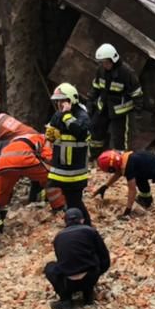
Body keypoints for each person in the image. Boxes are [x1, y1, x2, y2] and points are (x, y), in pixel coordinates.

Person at [46, 207, 111, 309]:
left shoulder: (58, 237)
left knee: (50, 267)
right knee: (94, 258)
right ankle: (88, 293)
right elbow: (105, 257)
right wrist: (97, 274)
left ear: (65, 222)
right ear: (82, 220)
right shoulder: (91, 231)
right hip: (90, 277)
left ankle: (66, 299)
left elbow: (62, 260)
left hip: (68, 283)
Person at [45, 83, 92, 223]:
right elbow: (51, 134)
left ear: (71, 100)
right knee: (71, 202)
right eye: (58, 101)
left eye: (62, 100)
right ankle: (77, 225)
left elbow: (80, 132)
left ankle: (86, 226)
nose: (59, 104)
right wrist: (51, 134)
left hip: (75, 172)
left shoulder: (82, 115)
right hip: (62, 169)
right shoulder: (58, 115)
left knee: (75, 202)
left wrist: (66, 116)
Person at [89, 43, 143, 154]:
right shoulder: (101, 71)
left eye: (106, 62)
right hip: (103, 106)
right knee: (96, 128)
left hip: (120, 110)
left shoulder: (126, 73)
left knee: (119, 136)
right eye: (102, 62)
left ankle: (119, 159)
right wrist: (90, 102)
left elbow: (136, 92)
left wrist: (137, 111)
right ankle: (95, 154)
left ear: (113, 59)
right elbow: (96, 87)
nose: (104, 65)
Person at [0, 131, 65, 213]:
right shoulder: (45, 139)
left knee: (2, 191)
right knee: (51, 177)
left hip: (2, 163)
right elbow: (47, 156)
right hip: (24, 158)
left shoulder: (20, 139)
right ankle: (59, 206)